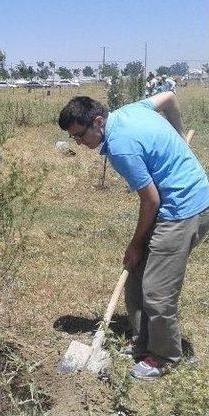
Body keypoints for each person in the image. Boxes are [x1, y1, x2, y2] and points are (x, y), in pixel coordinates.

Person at [58, 93, 209, 380]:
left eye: (79, 136)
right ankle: (143, 341)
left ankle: (164, 356)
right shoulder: (131, 110)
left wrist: (136, 242)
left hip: (185, 209)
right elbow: (169, 98)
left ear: (98, 122)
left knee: (157, 289)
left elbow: (150, 199)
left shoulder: (120, 148)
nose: (78, 143)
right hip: (172, 201)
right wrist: (177, 132)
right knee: (136, 270)